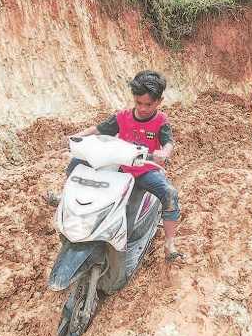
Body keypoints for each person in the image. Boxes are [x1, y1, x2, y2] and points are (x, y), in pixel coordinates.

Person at [50, 70, 183, 263]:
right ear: (134, 99)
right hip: (119, 169)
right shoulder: (122, 117)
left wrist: (164, 153)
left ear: (159, 101)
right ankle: (66, 198)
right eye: (139, 103)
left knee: (169, 193)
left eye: (149, 104)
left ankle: (170, 243)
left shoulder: (161, 120)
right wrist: (75, 137)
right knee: (80, 162)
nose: (143, 108)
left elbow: (168, 141)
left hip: (144, 170)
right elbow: (99, 129)